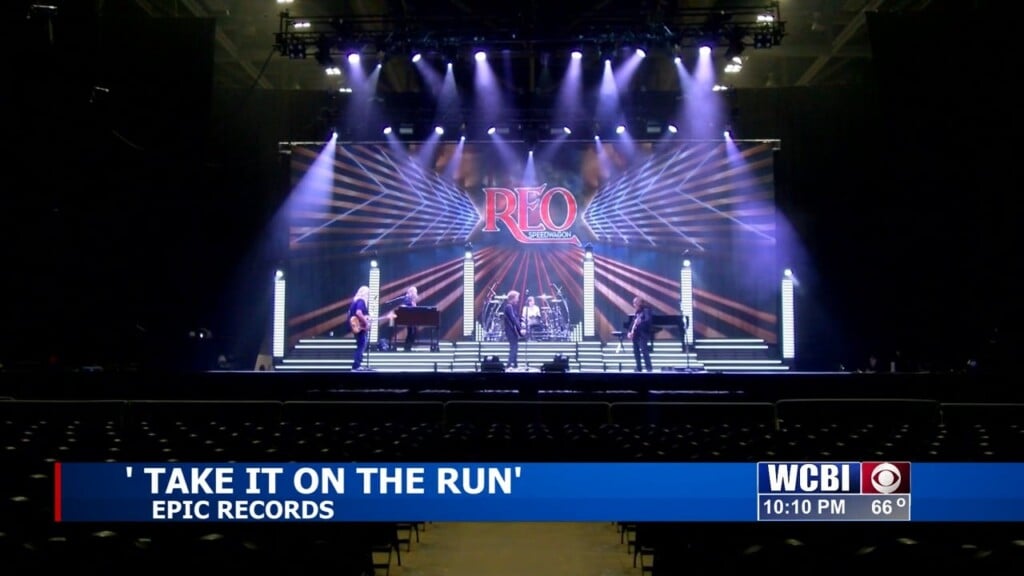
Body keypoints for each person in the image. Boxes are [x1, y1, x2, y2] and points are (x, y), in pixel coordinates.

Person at [627, 296, 653, 372]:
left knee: (644, 351)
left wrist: (640, 322)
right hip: (636, 334)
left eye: (634, 303)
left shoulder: (646, 311)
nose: (633, 305)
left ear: (638, 303)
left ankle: (649, 368)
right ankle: (639, 368)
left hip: (643, 334)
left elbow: (648, 321)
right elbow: (633, 323)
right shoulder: (637, 312)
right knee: (636, 351)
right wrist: (629, 331)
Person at [502, 290, 525, 369]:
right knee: (514, 347)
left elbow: (516, 319)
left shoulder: (511, 307)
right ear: (513, 298)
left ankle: (515, 364)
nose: (518, 300)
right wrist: (520, 330)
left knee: (515, 346)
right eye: (517, 298)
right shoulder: (509, 306)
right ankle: (509, 364)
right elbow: (513, 319)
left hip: (512, 330)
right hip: (510, 331)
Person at [349, 285, 370, 371]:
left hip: (357, 327)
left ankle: (357, 365)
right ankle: (356, 365)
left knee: (361, 344)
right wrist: (365, 322)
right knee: (361, 345)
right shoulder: (361, 301)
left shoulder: (355, 301)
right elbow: (358, 312)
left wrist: (367, 317)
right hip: (359, 327)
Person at [401, 286, 419, 351]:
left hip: (412, 320)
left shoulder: (412, 300)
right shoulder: (407, 298)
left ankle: (408, 347)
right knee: (411, 333)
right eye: (415, 292)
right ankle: (407, 348)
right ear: (411, 292)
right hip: (409, 319)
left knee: (412, 333)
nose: (416, 294)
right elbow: (403, 307)